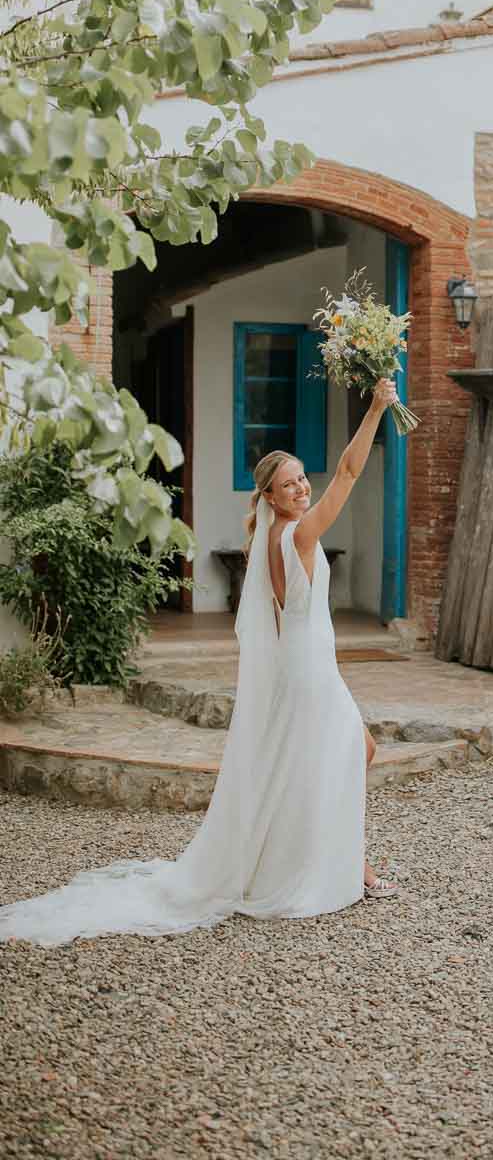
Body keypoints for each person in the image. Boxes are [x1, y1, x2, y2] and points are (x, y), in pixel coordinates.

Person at [0, 380, 399, 947]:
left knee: (341, 753)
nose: (303, 489)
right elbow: (350, 473)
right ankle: (340, 871)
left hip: (304, 663)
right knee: (342, 753)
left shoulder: (268, 537)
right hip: (309, 669)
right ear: (272, 496)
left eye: (303, 479)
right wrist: (378, 408)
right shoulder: (300, 537)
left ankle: (342, 863)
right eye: (290, 485)